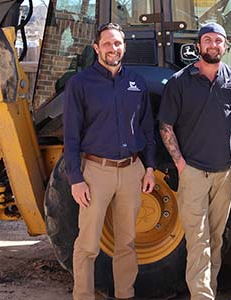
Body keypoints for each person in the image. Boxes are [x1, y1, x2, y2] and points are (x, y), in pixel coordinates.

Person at [63, 22, 157, 300]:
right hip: (96, 172)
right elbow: (70, 136)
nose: (112, 48)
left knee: (126, 243)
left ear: (124, 47)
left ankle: (125, 294)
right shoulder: (80, 84)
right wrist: (75, 179)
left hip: (132, 171)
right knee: (88, 244)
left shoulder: (136, 82)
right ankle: (83, 295)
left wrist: (149, 168)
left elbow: (147, 128)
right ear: (96, 48)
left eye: (117, 43)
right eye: (107, 43)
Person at [156, 23, 231, 300]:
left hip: (224, 171)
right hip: (193, 171)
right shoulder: (180, 81)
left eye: (218, 40)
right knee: (198, 240)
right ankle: (202, 296)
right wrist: (181, 164)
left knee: (216, 239)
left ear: (225, 46)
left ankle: (210, 291)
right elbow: (165, 126)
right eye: (207, 40)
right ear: (198, 46)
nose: (213, 45)